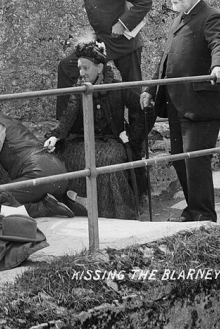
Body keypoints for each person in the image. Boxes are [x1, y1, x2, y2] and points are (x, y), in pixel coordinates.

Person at [5, 0, 152, 123]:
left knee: (133, 90)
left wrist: (123, 23)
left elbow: (144, 1)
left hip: (125, 43)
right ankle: (65, 127)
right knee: (67, 67)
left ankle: (137, 142)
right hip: (103, 42)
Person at [140, 0, 220, 223]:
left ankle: (204, 216)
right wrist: (150, 89)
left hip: (201, 103)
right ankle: (192, 211)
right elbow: (165, 59)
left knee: (196, 161)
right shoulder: (178, 19)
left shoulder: (211, 16)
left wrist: (219, 66)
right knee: (180, 160)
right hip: (176, 103)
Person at [43, 41, 145, 220]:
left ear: (99, 68)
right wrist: (55, 136)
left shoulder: (116, 87)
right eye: (79, 68)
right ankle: (79, 207)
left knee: (108, 161)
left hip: (112, 140)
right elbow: (69, 115)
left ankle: (115, 212)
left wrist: (132, 137)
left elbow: (144, 108)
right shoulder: (79, 88)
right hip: (83, 139)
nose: (81, 73)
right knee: (67, 157)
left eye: (86, 68)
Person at [0, 99, 87, 218]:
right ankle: (65, 199)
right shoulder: (9, 121)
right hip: (60, 174)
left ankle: (44, 207)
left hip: (38, 176)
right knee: (15, 196)